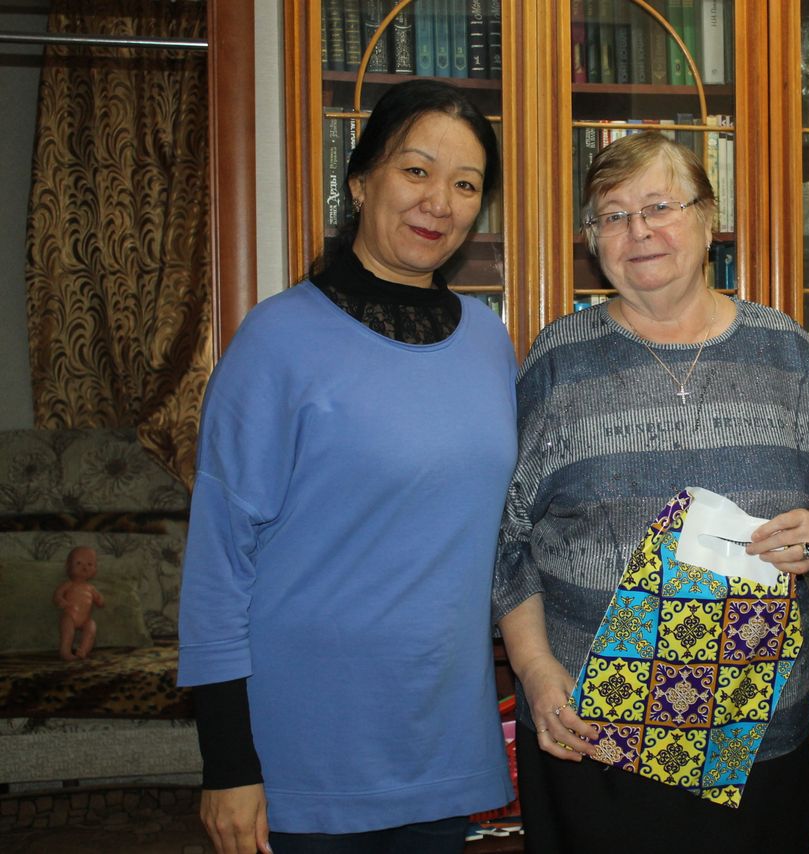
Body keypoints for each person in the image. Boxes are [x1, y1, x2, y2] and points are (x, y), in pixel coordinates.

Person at [177, 80, 515, 854]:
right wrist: (227, 762)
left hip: (440, 741)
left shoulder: (488, 343)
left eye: (466, 185)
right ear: (361, 181)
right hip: (303, 750)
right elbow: (219, 563)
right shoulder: (277, 340)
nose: (439, 202)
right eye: (416, 170)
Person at [492, 130, 809, 853]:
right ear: (593, 240)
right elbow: (504, 539)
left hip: (754, 741)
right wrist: (535, 672)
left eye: (659, 206)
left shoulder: (784, 351)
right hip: (590, 734)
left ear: (708, 219)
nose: (638, 231)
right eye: (613, 216)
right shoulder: (559, 361)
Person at [54, 545, 103, 660]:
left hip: (85, 619)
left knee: (91, 627)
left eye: (89, 564)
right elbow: (57, 595)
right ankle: (65, 651)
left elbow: (99, 602)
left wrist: (100, 600)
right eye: (79, 563)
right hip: (70, 616)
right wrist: (60, 600)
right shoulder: (68, 584)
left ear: (95, 570)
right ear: (68, 567)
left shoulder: (91, 588)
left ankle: (83, 650)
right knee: (68, 631)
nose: (84, 567)